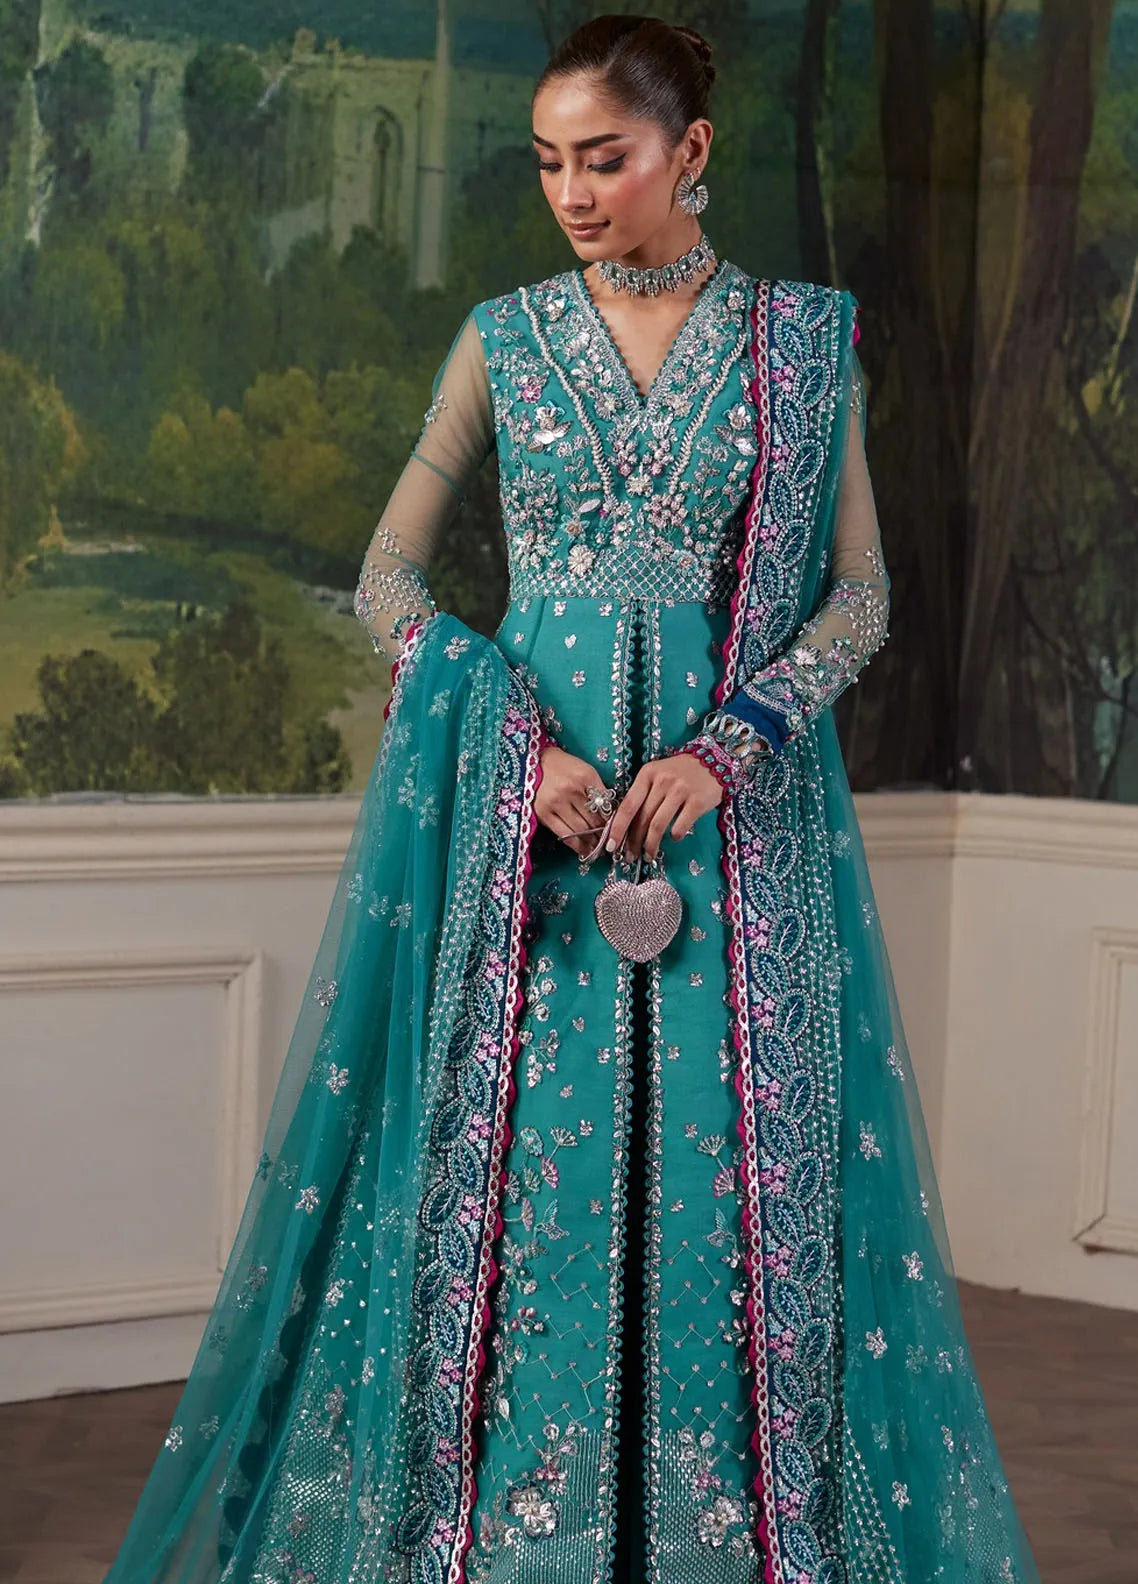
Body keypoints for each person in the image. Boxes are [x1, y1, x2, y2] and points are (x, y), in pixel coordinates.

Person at [104, 14, 1041, 1584]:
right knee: (531, 1197)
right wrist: (516, 754)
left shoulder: (802, 344)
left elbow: (861, 597)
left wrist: (727, 747)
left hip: (735, 848)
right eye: (548, 162)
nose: (572, 193)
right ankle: (515, 1537)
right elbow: (387, 578)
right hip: (532, 849)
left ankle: (723, 1537)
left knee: (726, 1203)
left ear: (690, 150)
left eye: (603, 158)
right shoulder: (503, 337)